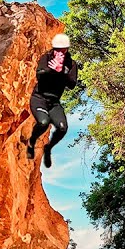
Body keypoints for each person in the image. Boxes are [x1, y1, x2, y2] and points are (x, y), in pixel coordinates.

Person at [27, 33, 79, 169]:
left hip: (54, 102)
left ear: (66, 50)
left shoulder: (71, 64)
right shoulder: (46, 58)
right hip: (39, 98)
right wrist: (52, 70)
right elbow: (40, 74)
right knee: (43, 122)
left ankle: (48, 148)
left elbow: (72, 84)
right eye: (57, 50)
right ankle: (31, 141)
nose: (59, 53)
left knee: (62, 128)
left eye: (62, 50)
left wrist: (61, 72)